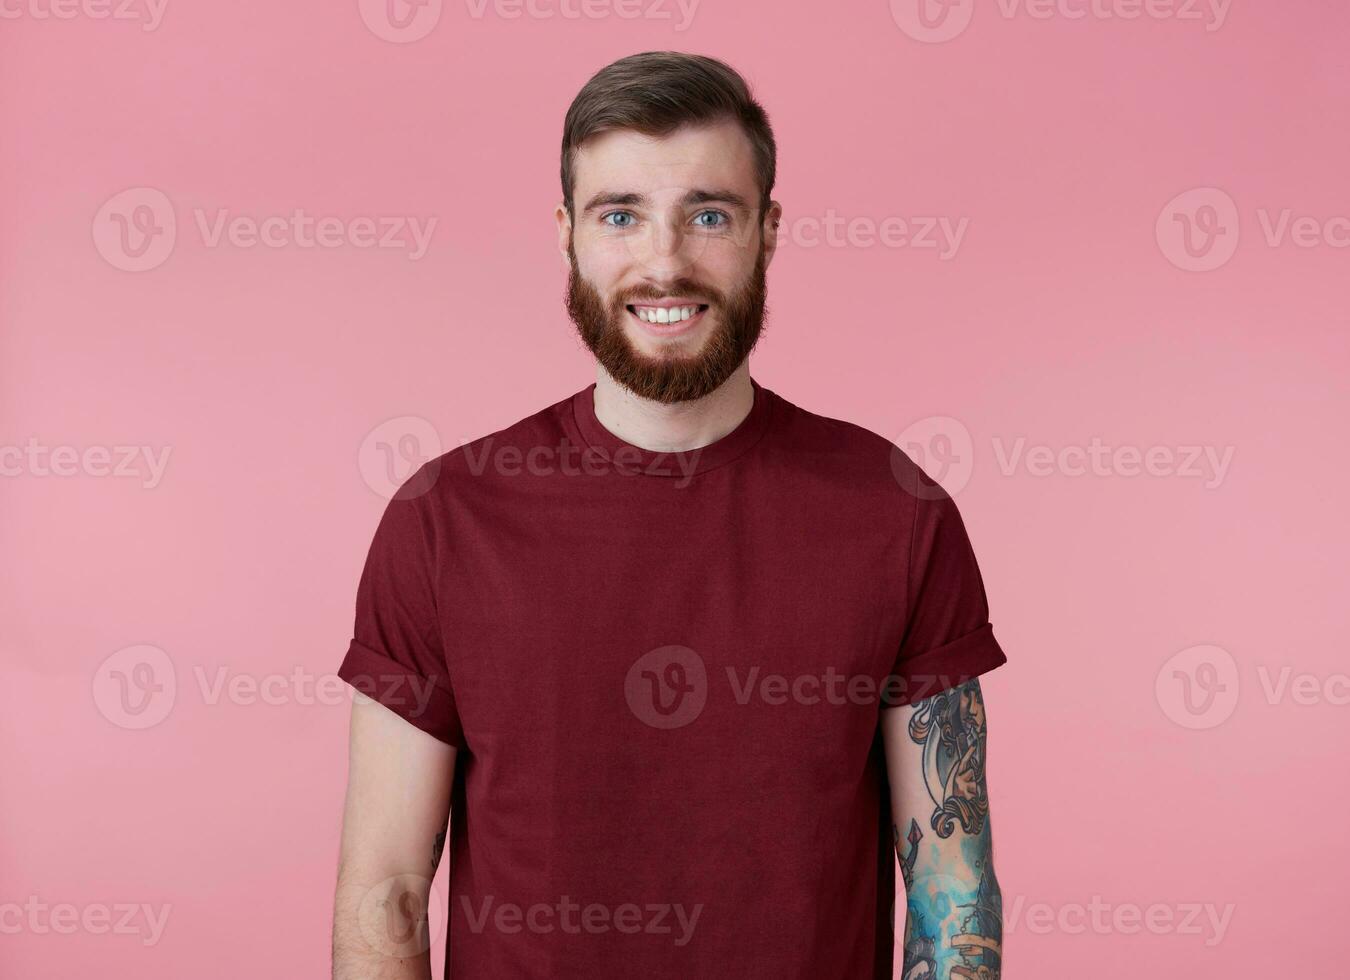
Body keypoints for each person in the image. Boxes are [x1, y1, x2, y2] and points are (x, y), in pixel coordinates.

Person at [332, 50, 1007, 979]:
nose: (665, 261)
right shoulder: (446, 519)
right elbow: (388, 895)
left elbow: (950, 887)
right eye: (622, 215)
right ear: (566, 233)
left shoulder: (897, 512)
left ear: (768, 230)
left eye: (709, 214)